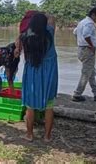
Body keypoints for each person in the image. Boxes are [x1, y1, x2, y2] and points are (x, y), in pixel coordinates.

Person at [21, 13, 58, 142]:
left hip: (32, 72)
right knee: (49, 107)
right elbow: (52, 19)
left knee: (30, 107)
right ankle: (47, 137)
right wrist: (44, 14)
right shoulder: (49, 34)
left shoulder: (26, 36)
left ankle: (29, 135)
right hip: (48, 74)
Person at [72, 7, 96, 102]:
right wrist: (91, 46)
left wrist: (80, 42)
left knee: (91, 72)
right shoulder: (90, 23)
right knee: (86, 73)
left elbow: (75, 32)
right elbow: (86, 35)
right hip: (87, 50)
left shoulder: (82, 22)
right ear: (93, 15)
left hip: (81, 49)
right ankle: (77, 94)